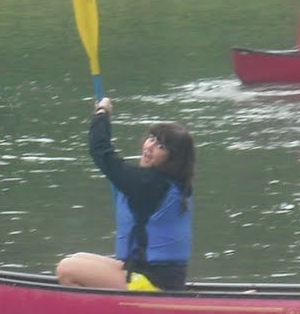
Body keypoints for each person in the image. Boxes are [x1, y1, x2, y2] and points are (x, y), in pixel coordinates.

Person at [56, 97, 196, 291]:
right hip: (153, 275)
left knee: (67, 269)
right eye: (152, 139)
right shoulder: (172, 182)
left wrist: (102, 113)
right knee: (78, 258)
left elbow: (101, 152)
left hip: (153, 283)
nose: (149, 147)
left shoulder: (149, 184)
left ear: (173, 159)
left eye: (161, 147)